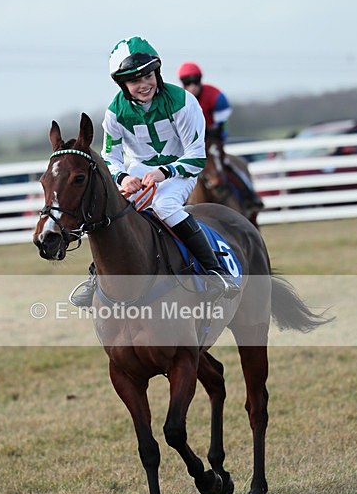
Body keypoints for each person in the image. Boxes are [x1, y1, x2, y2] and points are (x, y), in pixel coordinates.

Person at [70, 37, 240, 308]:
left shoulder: (182, 101)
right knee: (113, 213)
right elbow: (110, 157)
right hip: (137, 174)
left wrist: (165, 171)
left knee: (164, 205)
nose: (143, 84)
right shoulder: (115, 113)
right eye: (134, 80)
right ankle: (95, 279)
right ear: (122, 85)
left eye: (148, 75)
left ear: (157, 73)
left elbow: (196, 156)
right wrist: (124, 178)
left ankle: (215, 271)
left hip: (179, 171)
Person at [177, 62, 264, 210]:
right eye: (187, 83)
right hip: (190, 144)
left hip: (213, 139)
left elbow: (220, 124)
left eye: (195, 81)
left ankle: (250, 195)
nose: (192, 86)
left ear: (200, 80)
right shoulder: (178, 100)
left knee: (229, 166)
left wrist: (212, 133)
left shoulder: (215, 96)